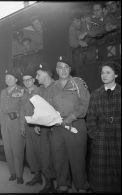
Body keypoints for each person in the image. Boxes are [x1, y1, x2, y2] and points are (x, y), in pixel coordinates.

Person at [50, 56, 90, 192]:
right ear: (56, 70)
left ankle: (81, 185)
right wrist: (51, 119)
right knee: (59, 156)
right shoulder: (53, 86)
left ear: (70, 69)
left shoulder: (78, 83)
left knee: (78, 157)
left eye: (66, 67)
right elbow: (48, 106)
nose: (63, 70)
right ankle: (62, 183)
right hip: (57, 127)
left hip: (75, 125)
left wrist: (72, 116)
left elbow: (85, 104)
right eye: (60, 67)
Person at [86, 61, 121, 193]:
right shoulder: (96, 94)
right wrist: (95, 135)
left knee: (118, 170)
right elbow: (90, 117)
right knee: (101, 174)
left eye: (108, 72)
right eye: (102, 73)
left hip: (119, 138)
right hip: (100, 139)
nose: (104, 75)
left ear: (116, 74)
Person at [0, 69, 25, 184]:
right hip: (4, 123)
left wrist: (20, 120)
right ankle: (12, 173)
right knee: (7, 150)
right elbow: (1, 110)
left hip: (15, 122)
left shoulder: (21, 90)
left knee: (17, 149)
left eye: (10, 78)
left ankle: (19, 175)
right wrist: (1, 125)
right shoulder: (3, 92)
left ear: (16, 79)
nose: (8, 80)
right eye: (6, 78)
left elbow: (23, 108)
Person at [35, 63, 56, 193]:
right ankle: (49, 184)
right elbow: (38, 108)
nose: (36, 77)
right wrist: (37, 123)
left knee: (59, 156)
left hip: (57, 127)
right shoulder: (40, 89)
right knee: (45, 156)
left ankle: (62, 184)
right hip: (44, 127)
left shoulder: (58, 86)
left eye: (38, 74)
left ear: (46, 74)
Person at [20, 68, 42, 186]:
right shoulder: (24, 93)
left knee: (41, 152)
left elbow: (42, 109)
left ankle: (47, 178)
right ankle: (37, 175)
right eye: (24, 80)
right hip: (28, 127)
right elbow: (22, 110)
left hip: (38, 127)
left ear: (33, 80)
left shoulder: (39, 91)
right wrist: (22, 126)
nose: (27, 82)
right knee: (30, 153)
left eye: (29, 79)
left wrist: (37, 124)